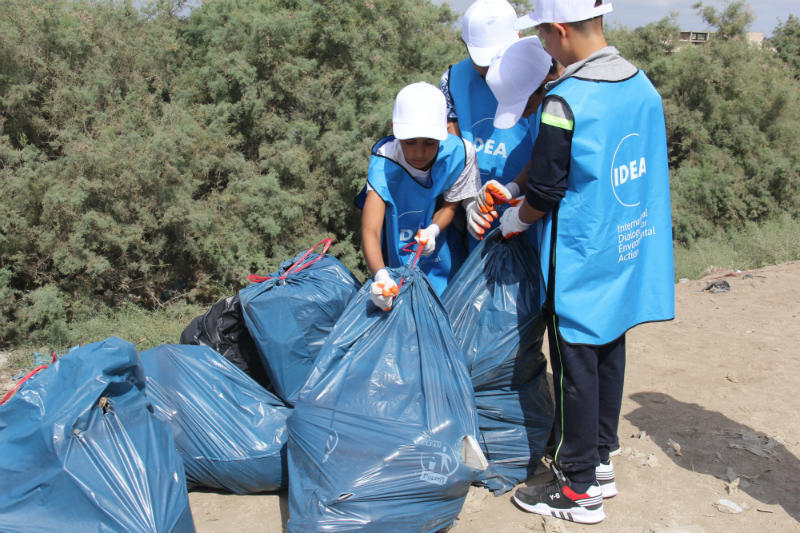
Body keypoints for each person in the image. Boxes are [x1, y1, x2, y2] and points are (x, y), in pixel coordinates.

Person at [491, 0, 675, 524]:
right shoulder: (640, 85)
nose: (545, 49)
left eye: (544, 37)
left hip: (578, 258)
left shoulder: (564, 101)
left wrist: (516, 220)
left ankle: (575, 488)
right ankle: (599, 459)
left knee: (575, 367)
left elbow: (546, 190)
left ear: (562, 30)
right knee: (609, 351)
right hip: (621, 249)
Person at [356, 81, 480, 310]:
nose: (419, 153)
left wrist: (433, 230)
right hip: (397, 258)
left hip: (444, 258)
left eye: (430, 143)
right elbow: (370, 229)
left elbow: (450, 207)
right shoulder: (385, 159)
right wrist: (381, 276)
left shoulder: (459, 153)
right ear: (395, 129)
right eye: (410, 142)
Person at [439, 0, 549, 244]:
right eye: (485, 64)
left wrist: (516, 190)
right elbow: (454, 152)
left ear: (519, 35)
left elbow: (552, 153)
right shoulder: (452, 82)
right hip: (480, 218)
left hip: (534, 208)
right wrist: (468, 203)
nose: (494, 69)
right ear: (465, 45)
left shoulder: (545, 75)